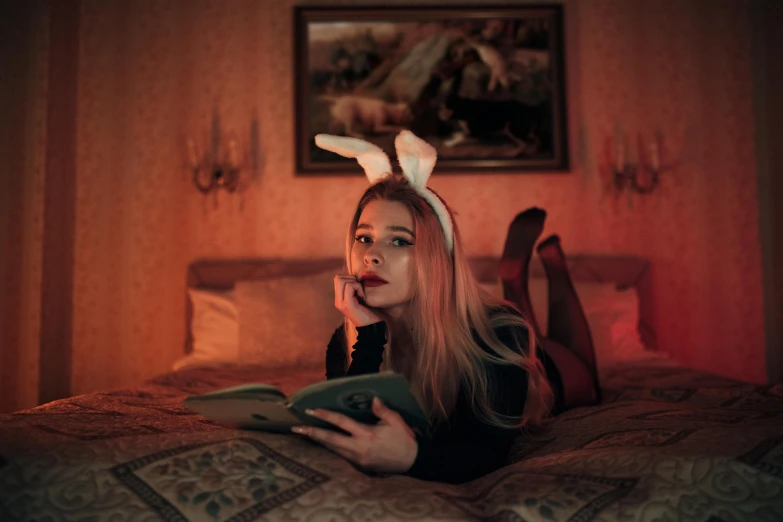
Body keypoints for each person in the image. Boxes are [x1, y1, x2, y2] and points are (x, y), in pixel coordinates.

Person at [290, 130, 601, 484]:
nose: (372, 255)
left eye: (400, 240)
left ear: (437, 257)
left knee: (586, 374)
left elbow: (485, 452)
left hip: (541, 366)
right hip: (494, 331)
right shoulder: (346, 341)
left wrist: (414, 457)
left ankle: (553, 270)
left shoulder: (499, 335)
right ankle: (513, 277)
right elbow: (355, 430)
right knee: (514, 321)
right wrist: (370, 335)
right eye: (364, 238)